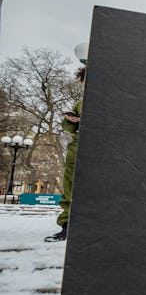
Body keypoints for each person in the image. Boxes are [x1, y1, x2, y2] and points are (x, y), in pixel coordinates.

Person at [45, 43, 87, 243]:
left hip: (102, 151)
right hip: (78, 149)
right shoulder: (81, 102)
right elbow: (68, 127)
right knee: (70, 190)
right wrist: (71, 120)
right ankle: (67, 226)